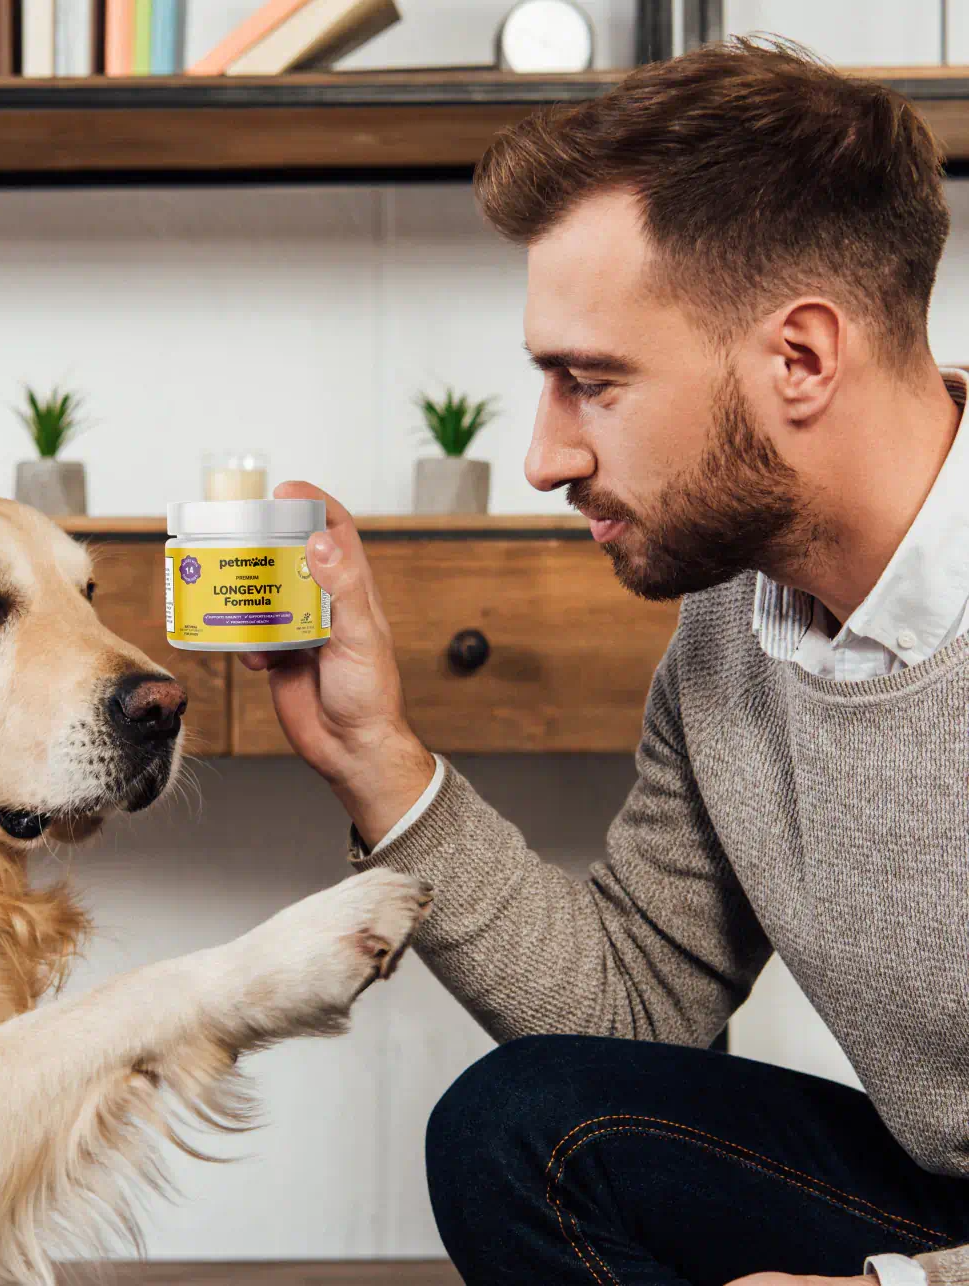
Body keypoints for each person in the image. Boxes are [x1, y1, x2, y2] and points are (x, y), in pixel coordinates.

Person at [240, 38, 969, 1286]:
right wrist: (375, 758)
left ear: (799, 358)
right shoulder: (727, 636)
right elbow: (638, 1008)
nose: (542, 456)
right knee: (517, 1125)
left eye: (590, 383)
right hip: (938, 1186)